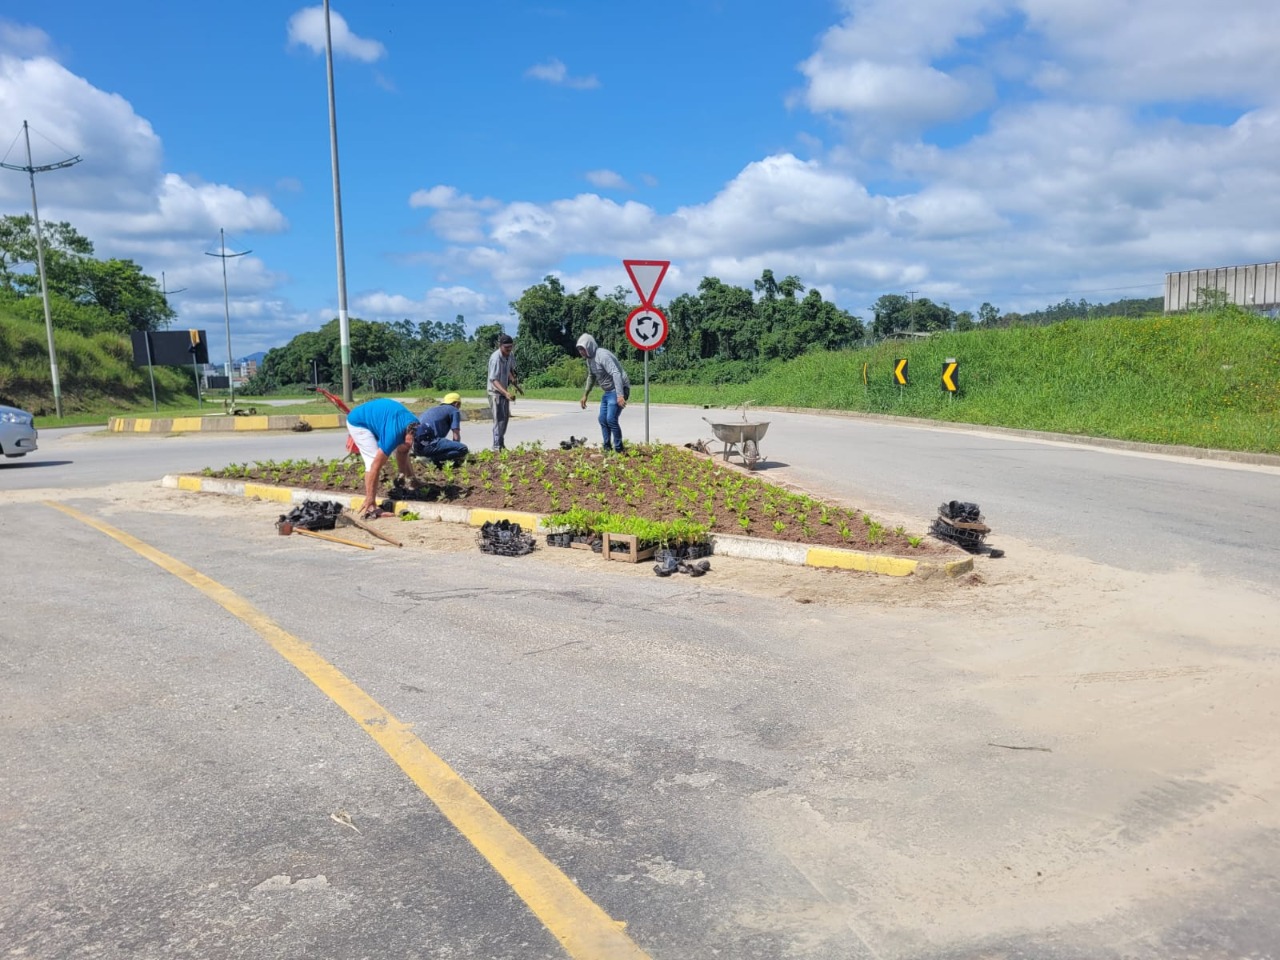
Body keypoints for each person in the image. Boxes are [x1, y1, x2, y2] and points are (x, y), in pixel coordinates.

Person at [345, 397, 423, 517]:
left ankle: (413, 481)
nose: (410, 446)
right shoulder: (393, 435)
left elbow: (403, 451)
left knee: (404, 447)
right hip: (358, 422)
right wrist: (370, 498)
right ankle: (370, 507)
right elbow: (375, 466)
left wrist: (406, 477)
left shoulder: (415, 425)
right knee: (372, 460)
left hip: (380, 416)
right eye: (411, 443)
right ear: (409, 434)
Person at [576, 333, 631, 453]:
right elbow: (591, 377)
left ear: (589, 347)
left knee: (611, 419)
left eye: (582, 349)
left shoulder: (602, 355)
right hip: (608, 392)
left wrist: (620, 395)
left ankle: (619, 449)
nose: (581, 352)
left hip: (619, 389)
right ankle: (607, 448)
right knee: (602, 419)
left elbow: (615, 373)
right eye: (579, 349)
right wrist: (585, 394)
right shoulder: (589, 360)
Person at [414, 392, 469, 467]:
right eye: (459, 405)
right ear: (456, 403)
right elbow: (456, 435)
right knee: (463, 449)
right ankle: (430, 459)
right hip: (429, 444)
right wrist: (457, 453)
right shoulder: (454, 410)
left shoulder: (433, 409)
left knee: (442, 444)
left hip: (416, 446)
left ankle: (419, 456)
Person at [487, 333, 517, 452]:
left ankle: (501, 444)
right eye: (506, 348)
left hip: (504, 392)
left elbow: (509, 369)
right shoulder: (495, 359)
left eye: (511, 347)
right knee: (498, 419)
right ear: (500, 346)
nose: (509, 350)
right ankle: (496, 447)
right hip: (495, 392)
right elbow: (493, 380)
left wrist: (512, 379)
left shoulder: (510, 355)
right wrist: (505, 393)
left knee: (505, 419)